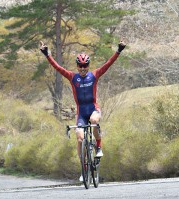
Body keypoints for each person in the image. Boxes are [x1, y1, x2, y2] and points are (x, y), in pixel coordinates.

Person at [39, 40, 126, 175]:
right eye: (80, 65)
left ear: (88, 65)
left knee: (94, 121)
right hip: (81, 113)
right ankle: (83, 169)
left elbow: (108, 64)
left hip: (93, 109)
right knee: (79, 138)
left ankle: (98, 147)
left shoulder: (94, 75)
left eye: (85, 65)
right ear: (77, 66)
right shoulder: (72, 77)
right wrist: (47, 55)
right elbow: (58, 68)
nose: (83, 68)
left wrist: (118, 50)